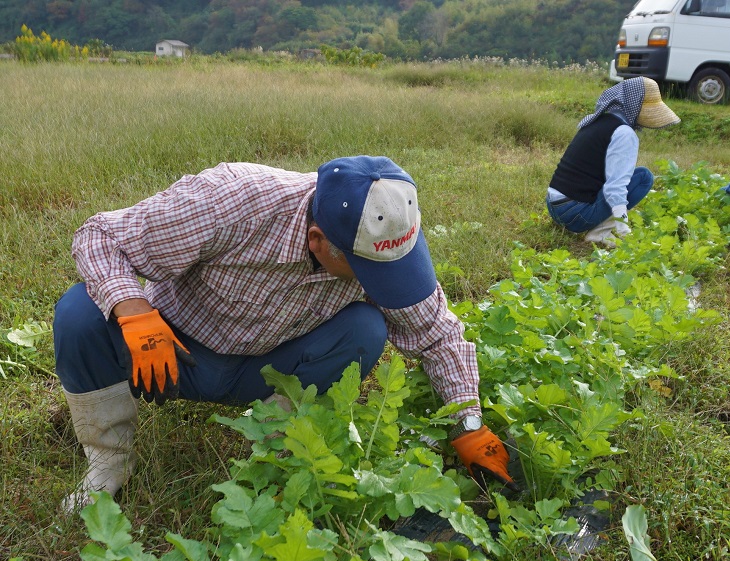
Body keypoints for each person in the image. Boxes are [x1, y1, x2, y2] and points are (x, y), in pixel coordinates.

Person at [53, 156, 517, 513]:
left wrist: (468, 425)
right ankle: (109, 461)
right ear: (317, 240)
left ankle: (277, 452)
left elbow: (437, 334)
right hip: (172, 355)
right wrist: (133, 311)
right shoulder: (233, 200)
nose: (378, 285)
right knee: (80, 312)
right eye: (363, 271)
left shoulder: (385, 236)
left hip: (269, 370)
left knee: (366, 327)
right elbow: (100, 236)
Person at [546, 76, 680, 248]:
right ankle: (599, 234)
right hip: (574, 214)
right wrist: (625, 230)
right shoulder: (624, 133)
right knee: (643, 178)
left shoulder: (599, 120)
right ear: (636, 105)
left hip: (554, 206)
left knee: (638, 174)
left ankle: (597, 227)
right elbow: (615, 187)